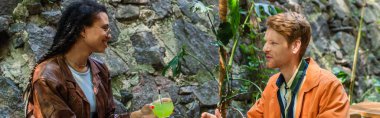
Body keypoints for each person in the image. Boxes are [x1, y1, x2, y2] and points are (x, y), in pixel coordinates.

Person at [201, 12, 349, 118]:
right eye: (266, 42)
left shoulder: (328, 86)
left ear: (295, 46)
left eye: (273, 43)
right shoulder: (273, 85)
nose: (265, 48)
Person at [24, 1, 156, 117]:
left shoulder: (100, 69)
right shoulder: (47, 76)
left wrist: (138, 115)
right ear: (82, 31)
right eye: (104, 28)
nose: (109, 35)